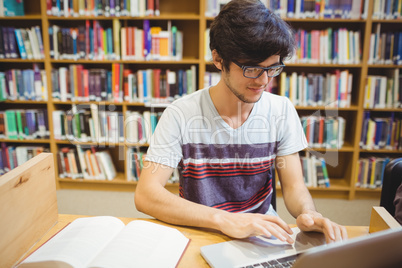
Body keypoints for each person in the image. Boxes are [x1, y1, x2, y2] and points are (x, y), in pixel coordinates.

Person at [135, 0, 347, 244]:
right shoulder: (180, 114)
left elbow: (294, 186)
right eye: (251, 68)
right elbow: (146, 194)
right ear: (218, 59)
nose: (263, 80)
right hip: (202, 231)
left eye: (272, 68)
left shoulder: (281, 110)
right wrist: (227, 220)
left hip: (263, 234)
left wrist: (308, 213)